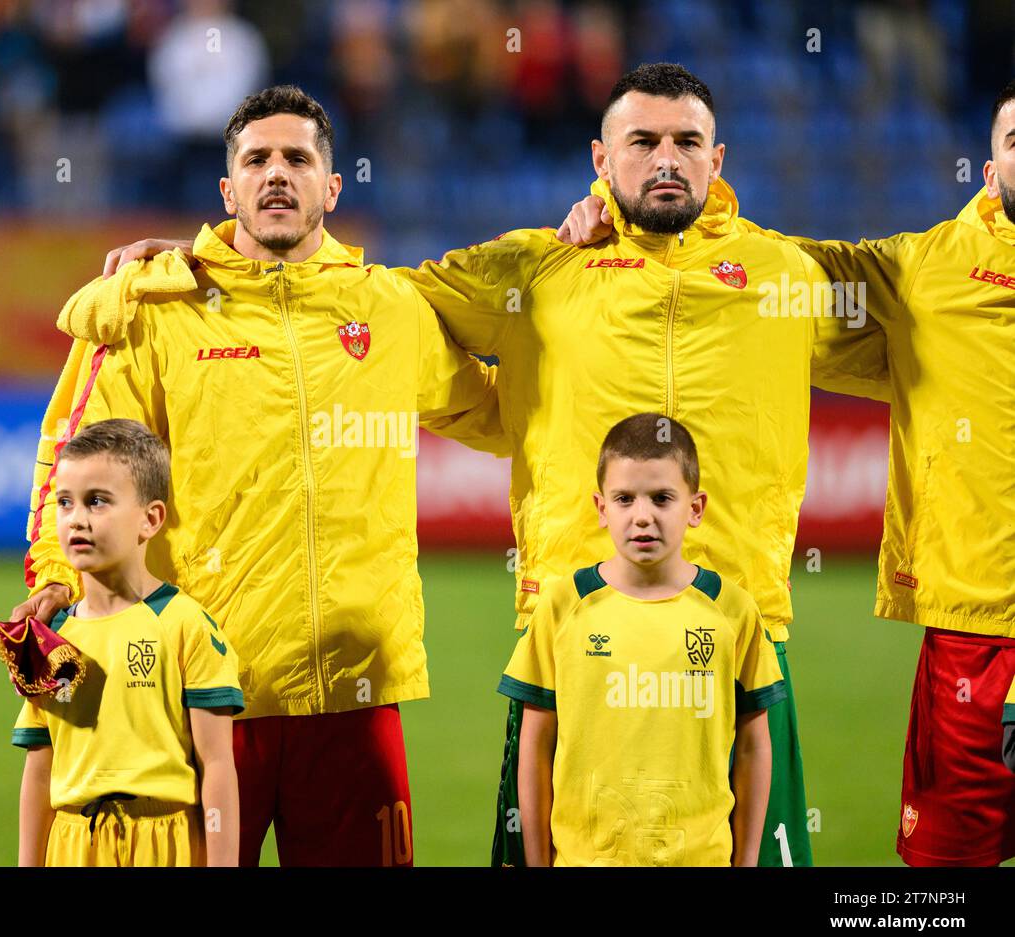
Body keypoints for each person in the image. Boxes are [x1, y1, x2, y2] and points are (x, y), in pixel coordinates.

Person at [87, 64, 886, 867]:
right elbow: (363, 303)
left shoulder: (790, 278)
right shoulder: (533, 272)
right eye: (642, 141)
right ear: (601, 162)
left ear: (720, 160)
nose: (666, 159)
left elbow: (928, 315)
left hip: (741, 628)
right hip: (575, 628)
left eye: (688, 142)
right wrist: (221, 266)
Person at [14, 85, 506, 867]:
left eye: (298, 159)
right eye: (257, 160)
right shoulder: (160, 309)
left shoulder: (390, 310)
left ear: (332, 186)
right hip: (199, 689)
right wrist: (54, 578)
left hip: (353, 687)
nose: (277, 174)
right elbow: (78, 455)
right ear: (228, 188)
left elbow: (505, 415)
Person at [558, 77, 1015, 868]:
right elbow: (737, 264)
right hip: (979, 628)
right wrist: (619, 215)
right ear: (987, 167)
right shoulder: (923, 276)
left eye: (683, 145)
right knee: (948, 875)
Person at [505, 414, 781, 866]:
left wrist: (746, 861)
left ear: (695, 508)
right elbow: (535, 743)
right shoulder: (561, 606)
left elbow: (753, 744)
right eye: (625, 499)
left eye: (662, 498)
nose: (642, 516)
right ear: (601, 508)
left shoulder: (734, 611)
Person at [14, 418, 242, 867]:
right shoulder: (50, 640)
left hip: (165, 843)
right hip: (73, 847)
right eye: (65, 502)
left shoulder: (185, 624)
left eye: (97, 502)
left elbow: (216, 766)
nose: (77, 519)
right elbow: (39, 773)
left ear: (150, 519)